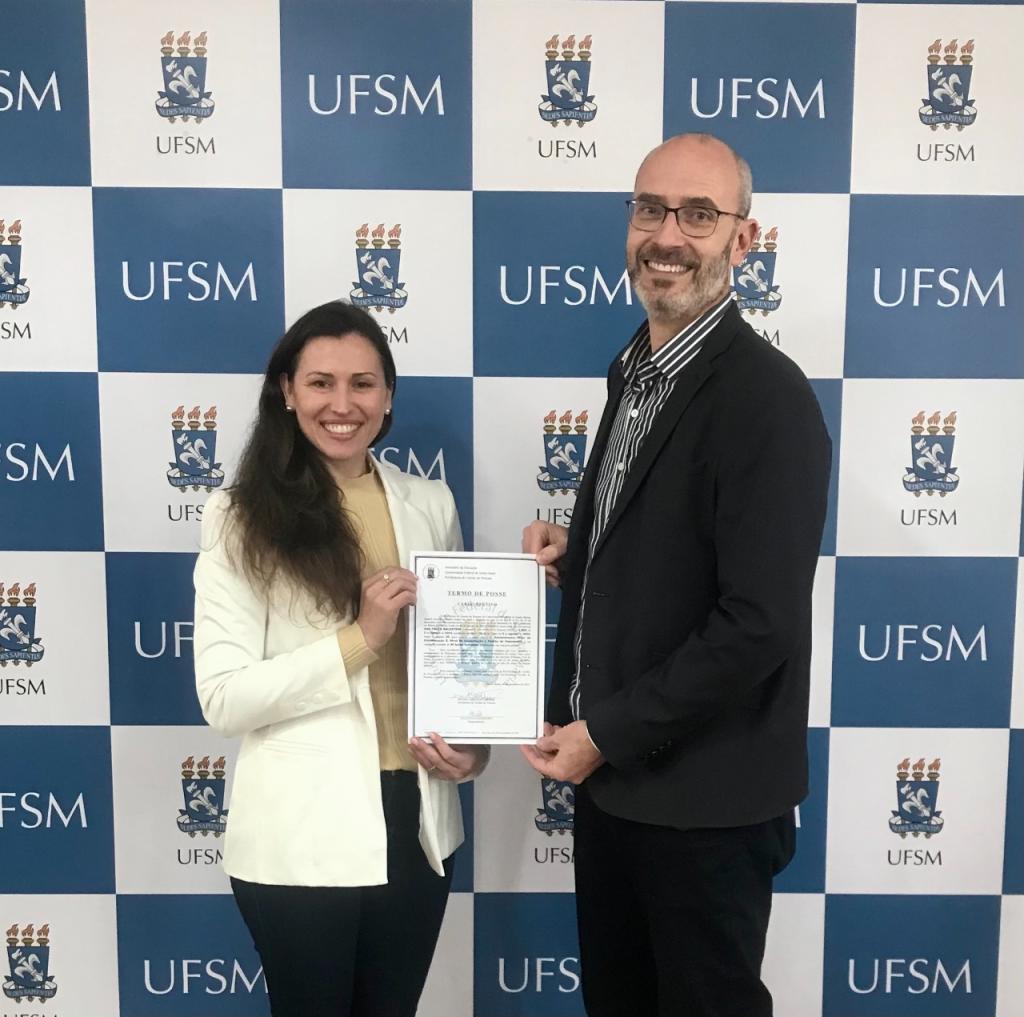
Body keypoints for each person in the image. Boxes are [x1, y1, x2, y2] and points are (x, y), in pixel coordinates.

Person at [521, 133, 831, 1017]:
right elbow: (680, 548)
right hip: (618, 787)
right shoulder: (635, 370)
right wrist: (582, 551)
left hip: (704, 808)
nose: (667, 235)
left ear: (743, 238)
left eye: (698, 214)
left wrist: (604, 733)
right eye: (650, 209)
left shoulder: (766, 397)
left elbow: (758, 621)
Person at [193, 301, 487, 1017]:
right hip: (302, 831)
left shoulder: (429, 502)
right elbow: (225, 696)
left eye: (363, 383)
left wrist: (471, 750)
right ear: (287, 392)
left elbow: (452, 663)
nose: (342, 404)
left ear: (387, 396)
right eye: (320, 383)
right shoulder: (240, 515)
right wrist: (361, 637)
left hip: (417, 822)